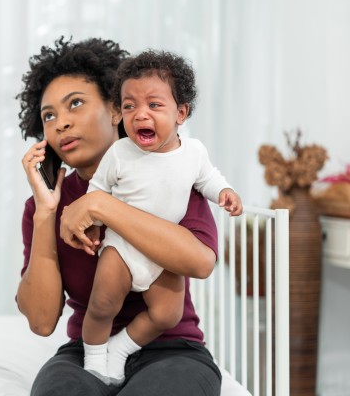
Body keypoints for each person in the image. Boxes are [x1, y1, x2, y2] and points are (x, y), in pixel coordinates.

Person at [16, 37, 222, 396]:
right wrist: (46, 213)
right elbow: (41, 321)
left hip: (172, 348)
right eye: (49, 116)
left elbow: (201, 262)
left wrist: (102, 205)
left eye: (75, 104)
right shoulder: (42, 206)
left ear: (116, 111)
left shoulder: (173, 174)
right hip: (87, 352)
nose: (61, 123)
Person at [81, 50, 243, 385]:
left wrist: (224, 191)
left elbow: (208, 178)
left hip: (162, 253)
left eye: (154, 105)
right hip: (121, 248)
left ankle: (121, 348)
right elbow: (97, 190)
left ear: (181, 112)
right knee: (102, 303)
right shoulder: (119, 152)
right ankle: (94, 358)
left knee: (168, 314)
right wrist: (93, 224)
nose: (140, 114)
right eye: (129, 106)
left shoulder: (194, 152)